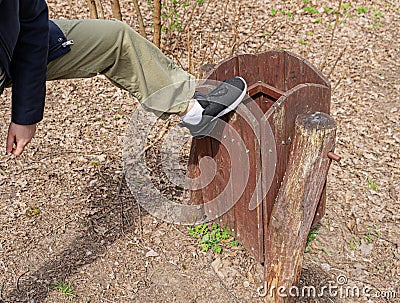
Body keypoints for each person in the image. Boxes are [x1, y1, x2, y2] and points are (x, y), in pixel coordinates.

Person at [0, 0, 247, 156]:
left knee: (114, 39)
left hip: (13, 47)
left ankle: (194, 111)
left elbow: (31, 20)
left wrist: (26, 115)